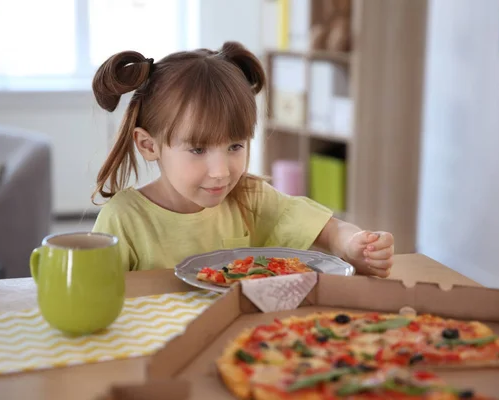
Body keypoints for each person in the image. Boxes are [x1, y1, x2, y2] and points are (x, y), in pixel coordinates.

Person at [91, 41, 394, 277]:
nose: (221, 172)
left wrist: (354, 244)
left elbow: (329, 231)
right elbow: (96, 297)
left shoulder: (249, 198)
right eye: (198, 150)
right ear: (148, 145)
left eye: (235, 146)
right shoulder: (123, 220)